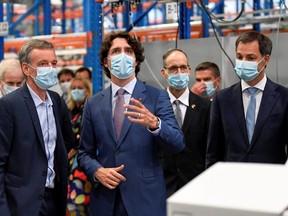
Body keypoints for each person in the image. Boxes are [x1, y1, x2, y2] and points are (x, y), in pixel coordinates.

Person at [77, 31, 185, 216]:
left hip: (145, 200)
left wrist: (155, 124)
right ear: (106, 61)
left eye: (128, 51)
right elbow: (84, 153)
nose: (123, 56)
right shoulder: (93, 103)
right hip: (106, 200)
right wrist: (97, 171)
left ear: (136, 61)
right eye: (116, 51)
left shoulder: (156, 96)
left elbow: (177, 143)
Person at [0, 39, 72, 216]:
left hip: (54, 199)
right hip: (21, 203)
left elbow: (65, 144)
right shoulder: (9, 105)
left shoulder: (56, 101)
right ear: (26, 69)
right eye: (42, 64)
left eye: (53, 63)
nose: (50, 68)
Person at [206, 31, 288, 168]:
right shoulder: (222, 98)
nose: (243, 63)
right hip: (232, 181)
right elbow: (213, 150)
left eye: (250, 58)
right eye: (239, 57)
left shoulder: (284, 97)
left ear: (265, 59)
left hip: (272, 181)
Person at [159, 49, 210, 197]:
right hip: (162, 186)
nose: (179, 72)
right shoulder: (154, 105)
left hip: (196, 186)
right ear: (164, 73)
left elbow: (209, 150)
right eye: (173, 68)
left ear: (189, 70)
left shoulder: (205, 107)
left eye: (183, 67)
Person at [66, 77, 92, 216]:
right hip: (69, 166)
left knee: (78, 202)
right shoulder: (69, 111)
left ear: (87, 90)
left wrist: (68, 155)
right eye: (73, 88)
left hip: (81, 165)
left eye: (80, 88)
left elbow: (82, 140)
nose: (76, 91)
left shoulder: (89, 109)